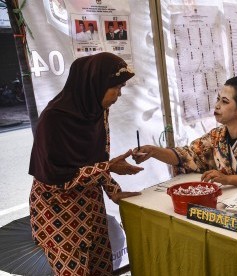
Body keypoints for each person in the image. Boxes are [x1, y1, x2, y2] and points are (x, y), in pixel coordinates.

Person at [29, 52, 143, 275]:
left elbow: (97, 159)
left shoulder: (98, 112)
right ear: (95, 83)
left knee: (101, 268)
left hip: (91, 207)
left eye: (122, 88)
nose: (119, 95)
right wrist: (108, 167)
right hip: (59, 214)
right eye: (116, 87)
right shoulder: (53, 120)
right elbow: (55, 179)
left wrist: (113, 191)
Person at [133, 76, 237, 186]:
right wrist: (153, 151)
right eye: (218, 99)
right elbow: (189, 155)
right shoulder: (217, 136)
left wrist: (227, 179)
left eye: (224, 101)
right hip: (233, 201)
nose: (217, 106)